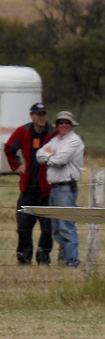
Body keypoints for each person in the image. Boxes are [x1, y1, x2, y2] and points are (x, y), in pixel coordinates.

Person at [4, 102, 54, 265]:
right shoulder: (23, 131)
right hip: (27, 189)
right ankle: (24, 259)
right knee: (23, 227)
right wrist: (17, 165)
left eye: (43, 114)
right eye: (38, 114)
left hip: (47, 190)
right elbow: (8, 149)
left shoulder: (52, 133)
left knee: (47, 229)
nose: (41, 117)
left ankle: (43, 258)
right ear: (31, 116)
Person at [36, 111, 85, 268]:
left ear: (71, 125)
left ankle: (71, 261)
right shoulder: (56, 140)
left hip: (66, 188)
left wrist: (49, 157)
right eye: (60, 123)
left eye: (67, 122)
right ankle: (64, 260)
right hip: (55, 188)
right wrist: (52, 157)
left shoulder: (74, 141)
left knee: (66, 226)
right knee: (56, 228)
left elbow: (61, 160)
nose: (63, 125)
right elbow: (39, 154)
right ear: (56, 125)